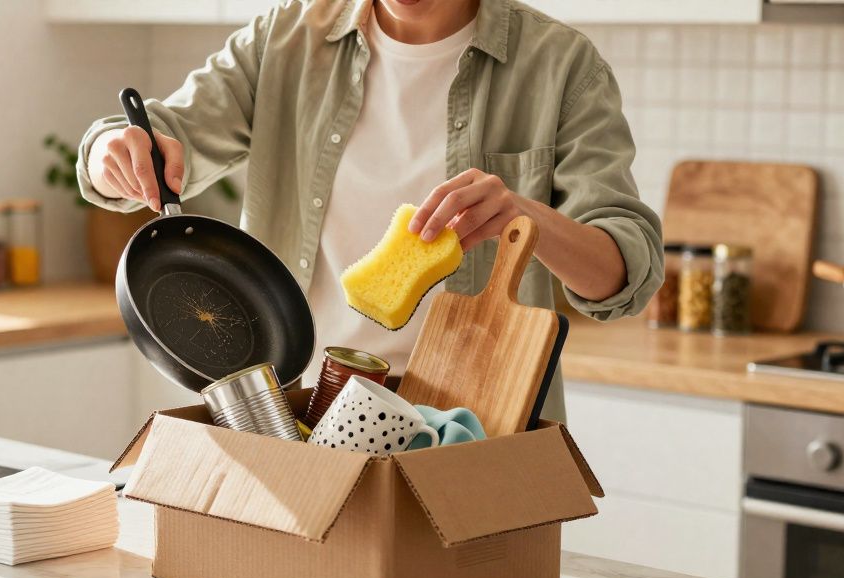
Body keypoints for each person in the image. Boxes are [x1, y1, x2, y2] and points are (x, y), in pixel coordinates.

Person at [77, 0, 662, 421]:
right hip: (298, 411)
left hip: (478, 424)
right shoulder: (283, 39)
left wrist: (523, 217)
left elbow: (622, 277)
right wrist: (112, 152)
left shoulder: (561, 66)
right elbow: (162, 135)